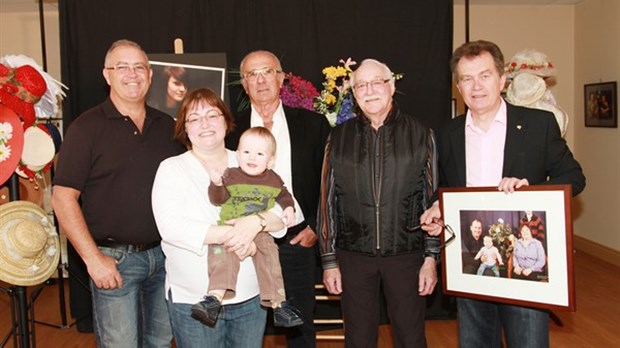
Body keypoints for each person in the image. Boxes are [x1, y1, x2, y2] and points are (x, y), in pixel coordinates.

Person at [420, 40, 586, 348]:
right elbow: (440, 188)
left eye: (484, 75)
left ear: (502, 80)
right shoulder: (447, 134)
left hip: (524, 265)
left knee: (529, 342)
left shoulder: (539, 125)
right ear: (458, 85)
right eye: (467, 78)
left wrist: (530, 190)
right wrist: (435, 207)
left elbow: (574, 177)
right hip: (471, 263)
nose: (476, 86)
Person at [52, 39, 184, 347]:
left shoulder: (168, 126)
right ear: (106, 75)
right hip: (113, 260)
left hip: (166, 258)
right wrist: (93, 259)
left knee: (161, 342)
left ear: (150, 75)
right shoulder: (85, 128)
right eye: (121, 67)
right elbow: (62, 197)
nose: (132, 74)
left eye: (139, 67)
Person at [151, 88, 288, 347]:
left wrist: (256, 223)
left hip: (249, 296)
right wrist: (238, 234)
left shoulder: (249, 159)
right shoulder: (171, 169)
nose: (205, 123)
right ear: (185, 129)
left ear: (226, 122)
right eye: (194, 118)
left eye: (212, 115)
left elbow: (284, 212)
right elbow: (172, 227)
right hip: (193, 298)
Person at [318, 58, 440, 347]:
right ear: (353, 92)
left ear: (392, 85)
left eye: (377, 82)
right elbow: (326, 200)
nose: (370, 90)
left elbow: (433, 201)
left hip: (406, 254)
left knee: (411, 338)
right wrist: (329, 260)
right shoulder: (337, 138)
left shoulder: (422, 134)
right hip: (353, 255)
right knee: (358, 339)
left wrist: (430, 259)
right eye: (361, 85)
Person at [225, 50, 331, 347]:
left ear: (281, 77)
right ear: (244, 84)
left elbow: (329, 183)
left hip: (297, 242)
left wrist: (314, 227)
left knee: (300, 326)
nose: (260, 80)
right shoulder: (229, 129)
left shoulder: (313, 124)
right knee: (244, 327)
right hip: (244, 244)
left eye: (267, 71)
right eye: (251, 75)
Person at [191, 126, 303, 328]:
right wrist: (216, 184)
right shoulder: (230, 175)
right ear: (238, 153)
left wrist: (289, 208)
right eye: (246, 152)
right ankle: (213, 299)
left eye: (259, 154)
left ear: (270, 161)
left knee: (270, 255)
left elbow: (284, 195)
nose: (252, 157)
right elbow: (218, 200)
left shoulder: (273, 179)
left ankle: (278, 304)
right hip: (229, 228)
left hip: (260, 232)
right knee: (221, 256)